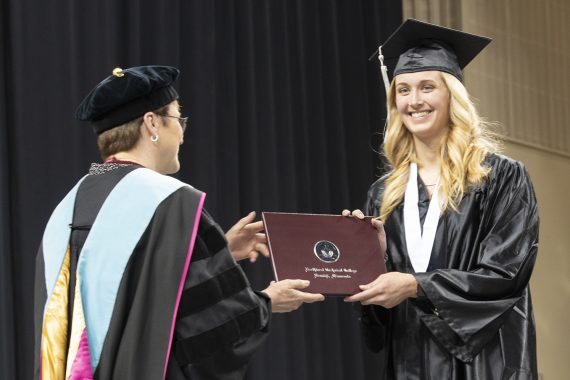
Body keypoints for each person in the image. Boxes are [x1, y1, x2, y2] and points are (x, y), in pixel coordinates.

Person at [33, 65, 324, 380]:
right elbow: (210, 330)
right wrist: (267, 302)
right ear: (152, 123)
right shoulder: (170, 202)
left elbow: (130, 290)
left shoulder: (68, 208)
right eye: (177, 118)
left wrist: (220, 248)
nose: (183, 132)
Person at [343, 19, 539, 379]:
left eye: (427, 87)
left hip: (485, 362)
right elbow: (380, 312)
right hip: (411, 359)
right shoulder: (385, 194)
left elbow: (506, 274)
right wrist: (366, 261)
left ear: (452, 95)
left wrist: (416, 285)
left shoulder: (501, 178)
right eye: (403, 90)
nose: (414, 101)